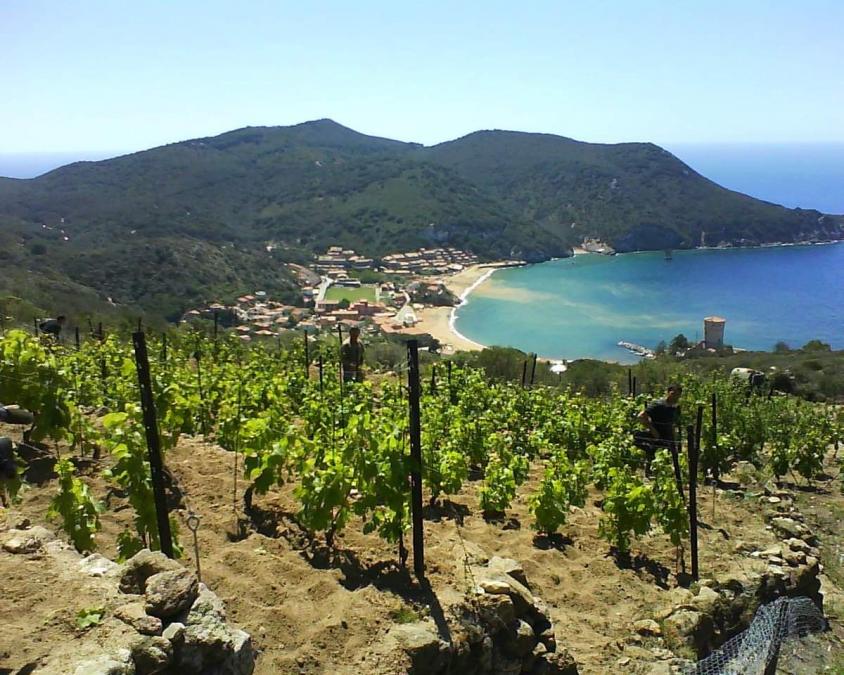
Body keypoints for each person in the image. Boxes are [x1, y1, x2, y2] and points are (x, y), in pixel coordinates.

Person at [635, 383, 682, 471]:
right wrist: (652, 430)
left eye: (677, 395)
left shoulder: (675, 408)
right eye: (673, 394)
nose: (675, 397)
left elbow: (673, 424)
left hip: (668, 438)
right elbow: (641, 416)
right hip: (656, 437)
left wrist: (674, 439)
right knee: (652, 457)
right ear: (668, 393)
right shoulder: (658, 404)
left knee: (667, 462)